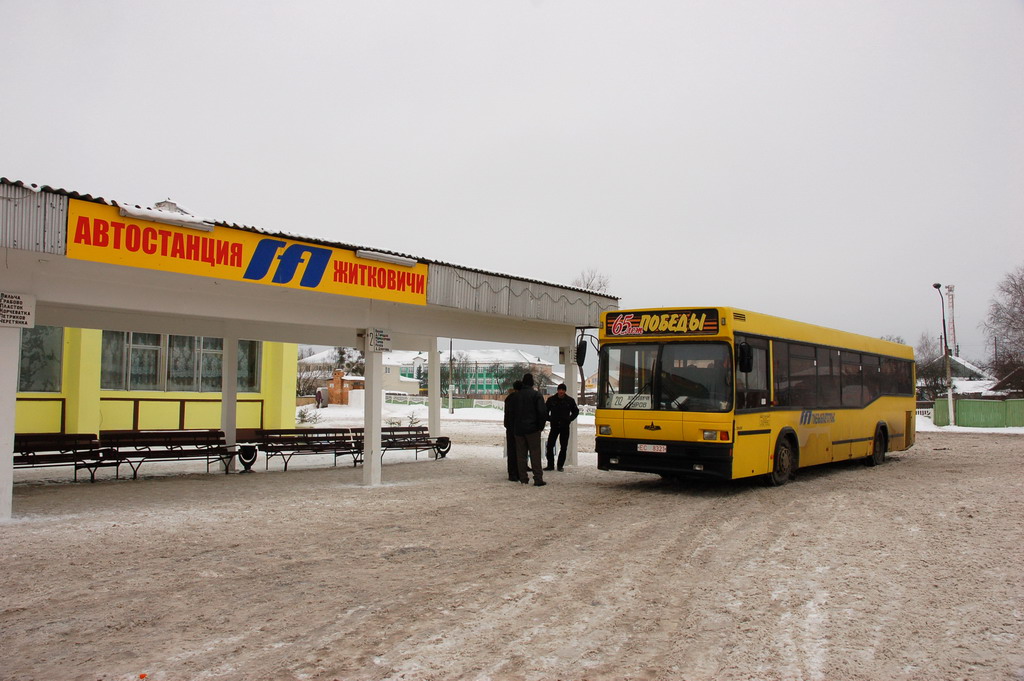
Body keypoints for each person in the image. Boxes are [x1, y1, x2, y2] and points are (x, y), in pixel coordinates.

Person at [510, 373, 547, 486]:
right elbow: (542, 413)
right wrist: (540, 427)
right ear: (532, 383)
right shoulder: (536, 395)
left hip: (519, 430)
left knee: (521, 455)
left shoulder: (515, 396)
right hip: (533, 429)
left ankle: (523, 478)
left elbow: (511, 414)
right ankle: (538, 478)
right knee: (535, 454)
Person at [545, 383, 579, 471]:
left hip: (565, 426)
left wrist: (569, 419)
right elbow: (545, 411)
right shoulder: (551, 400)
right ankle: (550, 465)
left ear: (565, 391)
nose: (561, 392)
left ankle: (560, 466)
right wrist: (550, 419)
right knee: (549, 446)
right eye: (560, 390)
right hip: (554, 426)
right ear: (557, 390)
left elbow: (575, 411)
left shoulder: (570, 400)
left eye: (563, 390)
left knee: (564, 446)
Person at [503, 380, 522, 481]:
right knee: (519, 451)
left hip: (510, 428)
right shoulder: (521, 398)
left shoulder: (509, 398)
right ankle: (519, 472)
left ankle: (512, 473)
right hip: (519, 428)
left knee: (511, 451)